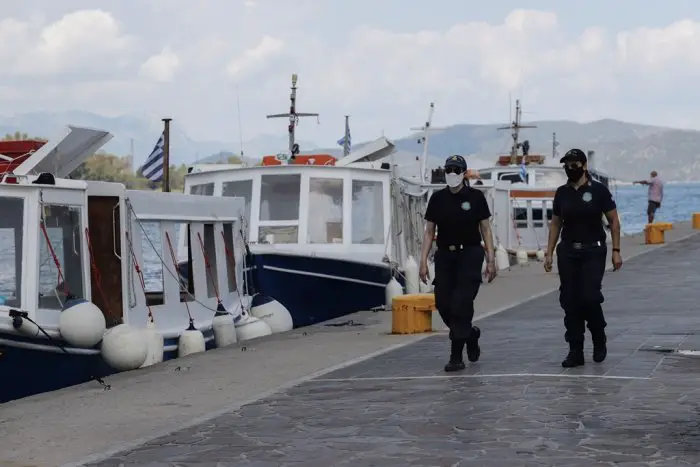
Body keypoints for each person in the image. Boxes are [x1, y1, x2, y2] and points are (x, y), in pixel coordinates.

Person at [544, 148, 623, 368]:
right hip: (568, 251)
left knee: (589, 297)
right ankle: (575, 349)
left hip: (593, 250)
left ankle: (598, 336)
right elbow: (556, 223)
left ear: (584, 165)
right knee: (569, 300)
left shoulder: (599, 191)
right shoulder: (562, 193)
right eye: (567, 165)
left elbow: (614, 222)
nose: (570, 168)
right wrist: (549, 252)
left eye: (574, 164)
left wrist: (616, 250)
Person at [419, 155, 497, 372]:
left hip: (469, 255)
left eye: (456, 169)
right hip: (445, 255)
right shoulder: (437, 199)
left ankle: (455, 356)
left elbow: (486, 229)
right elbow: (429, 232)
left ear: (464, 173)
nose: (451, 173)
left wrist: (491, 259)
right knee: (443, 303)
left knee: (461, 303)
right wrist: (423, 261)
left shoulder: (475, 197)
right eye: (448, 169)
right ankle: (470, 335)